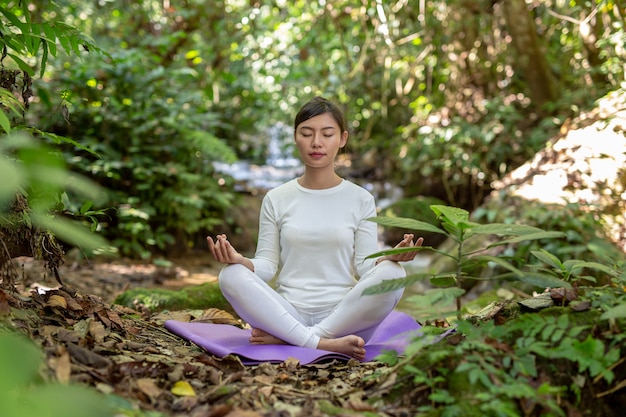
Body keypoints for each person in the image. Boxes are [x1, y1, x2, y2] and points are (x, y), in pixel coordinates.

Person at [207, 96, 423, 360]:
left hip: (345, 319)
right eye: (306, 133)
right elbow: (267, 265)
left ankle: (297, 338)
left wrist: (388, 258)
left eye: (327, 134)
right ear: (296, 137)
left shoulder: (361, 199)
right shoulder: (277, 197)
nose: (316, 142)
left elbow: (366, 267)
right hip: (287, 312)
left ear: (342, 139)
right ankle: (319, 343)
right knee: (230, 275)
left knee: (393, 273)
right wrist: (241, 261)